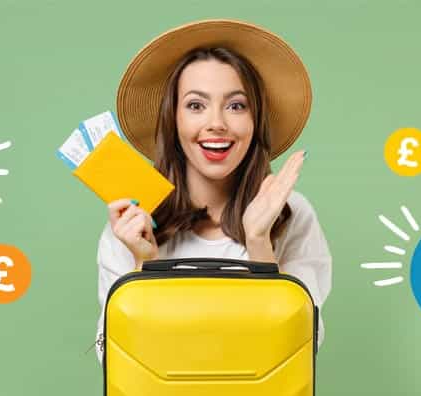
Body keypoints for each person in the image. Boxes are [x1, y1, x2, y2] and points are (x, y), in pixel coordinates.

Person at [94, 19, 332, 364]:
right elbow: (116, 360)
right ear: (172, 121)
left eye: (236, 105)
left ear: (255, 120)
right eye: (195, 105)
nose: (216, 123)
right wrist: (146, 264)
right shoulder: (131, 223)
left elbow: (297, 354)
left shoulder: (292, 213)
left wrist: (259, 243)